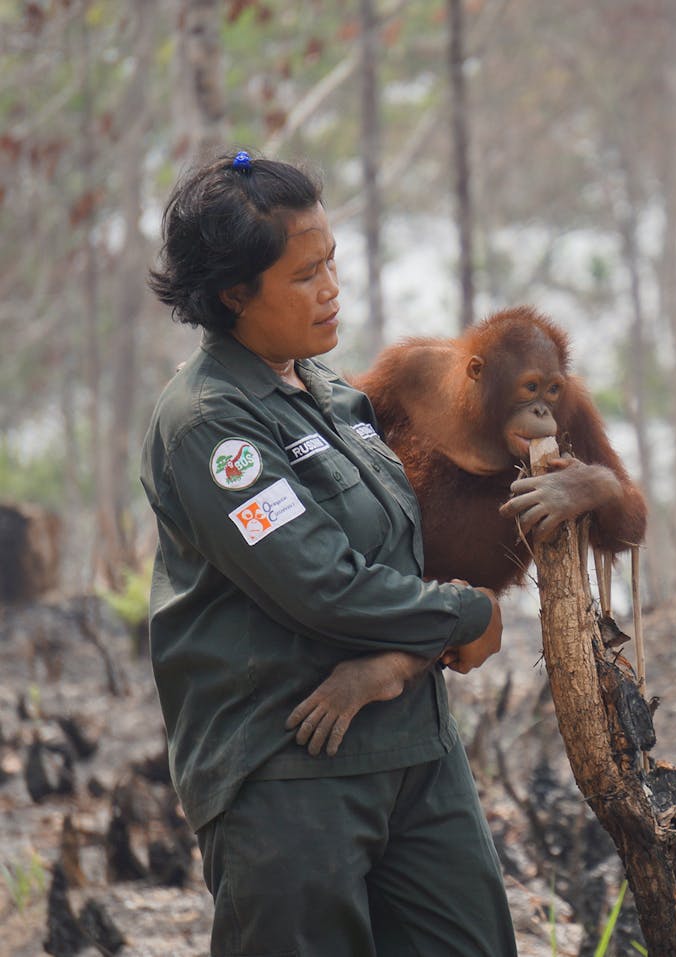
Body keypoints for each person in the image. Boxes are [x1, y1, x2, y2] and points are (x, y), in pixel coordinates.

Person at [140, 150, 518, 957]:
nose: (331, 288)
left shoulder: (333, 396)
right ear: (236, 293)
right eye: (305, 274)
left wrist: (401, 661)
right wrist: (467, 613)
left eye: (332, 263)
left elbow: (399, 558)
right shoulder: (212, 426)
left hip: (415, 749)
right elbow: (322, 586)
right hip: (291, 770)